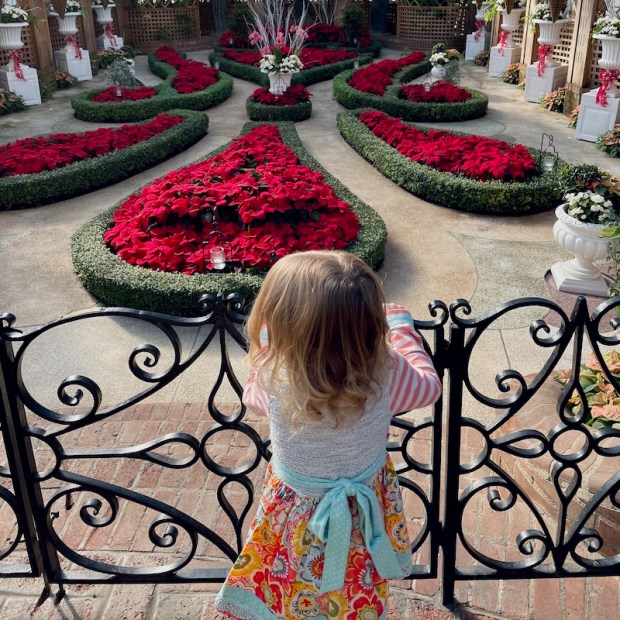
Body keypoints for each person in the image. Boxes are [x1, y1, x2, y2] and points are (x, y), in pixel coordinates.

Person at [215, 250, 442, 620]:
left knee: (292, 579)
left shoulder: (273, 372)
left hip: (295, 510)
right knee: (357, 582)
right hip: (361, 508)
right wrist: (400, 328)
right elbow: (429, 387)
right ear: (370, 326)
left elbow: (252, 400)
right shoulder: (386, 370)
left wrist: (273, 346)